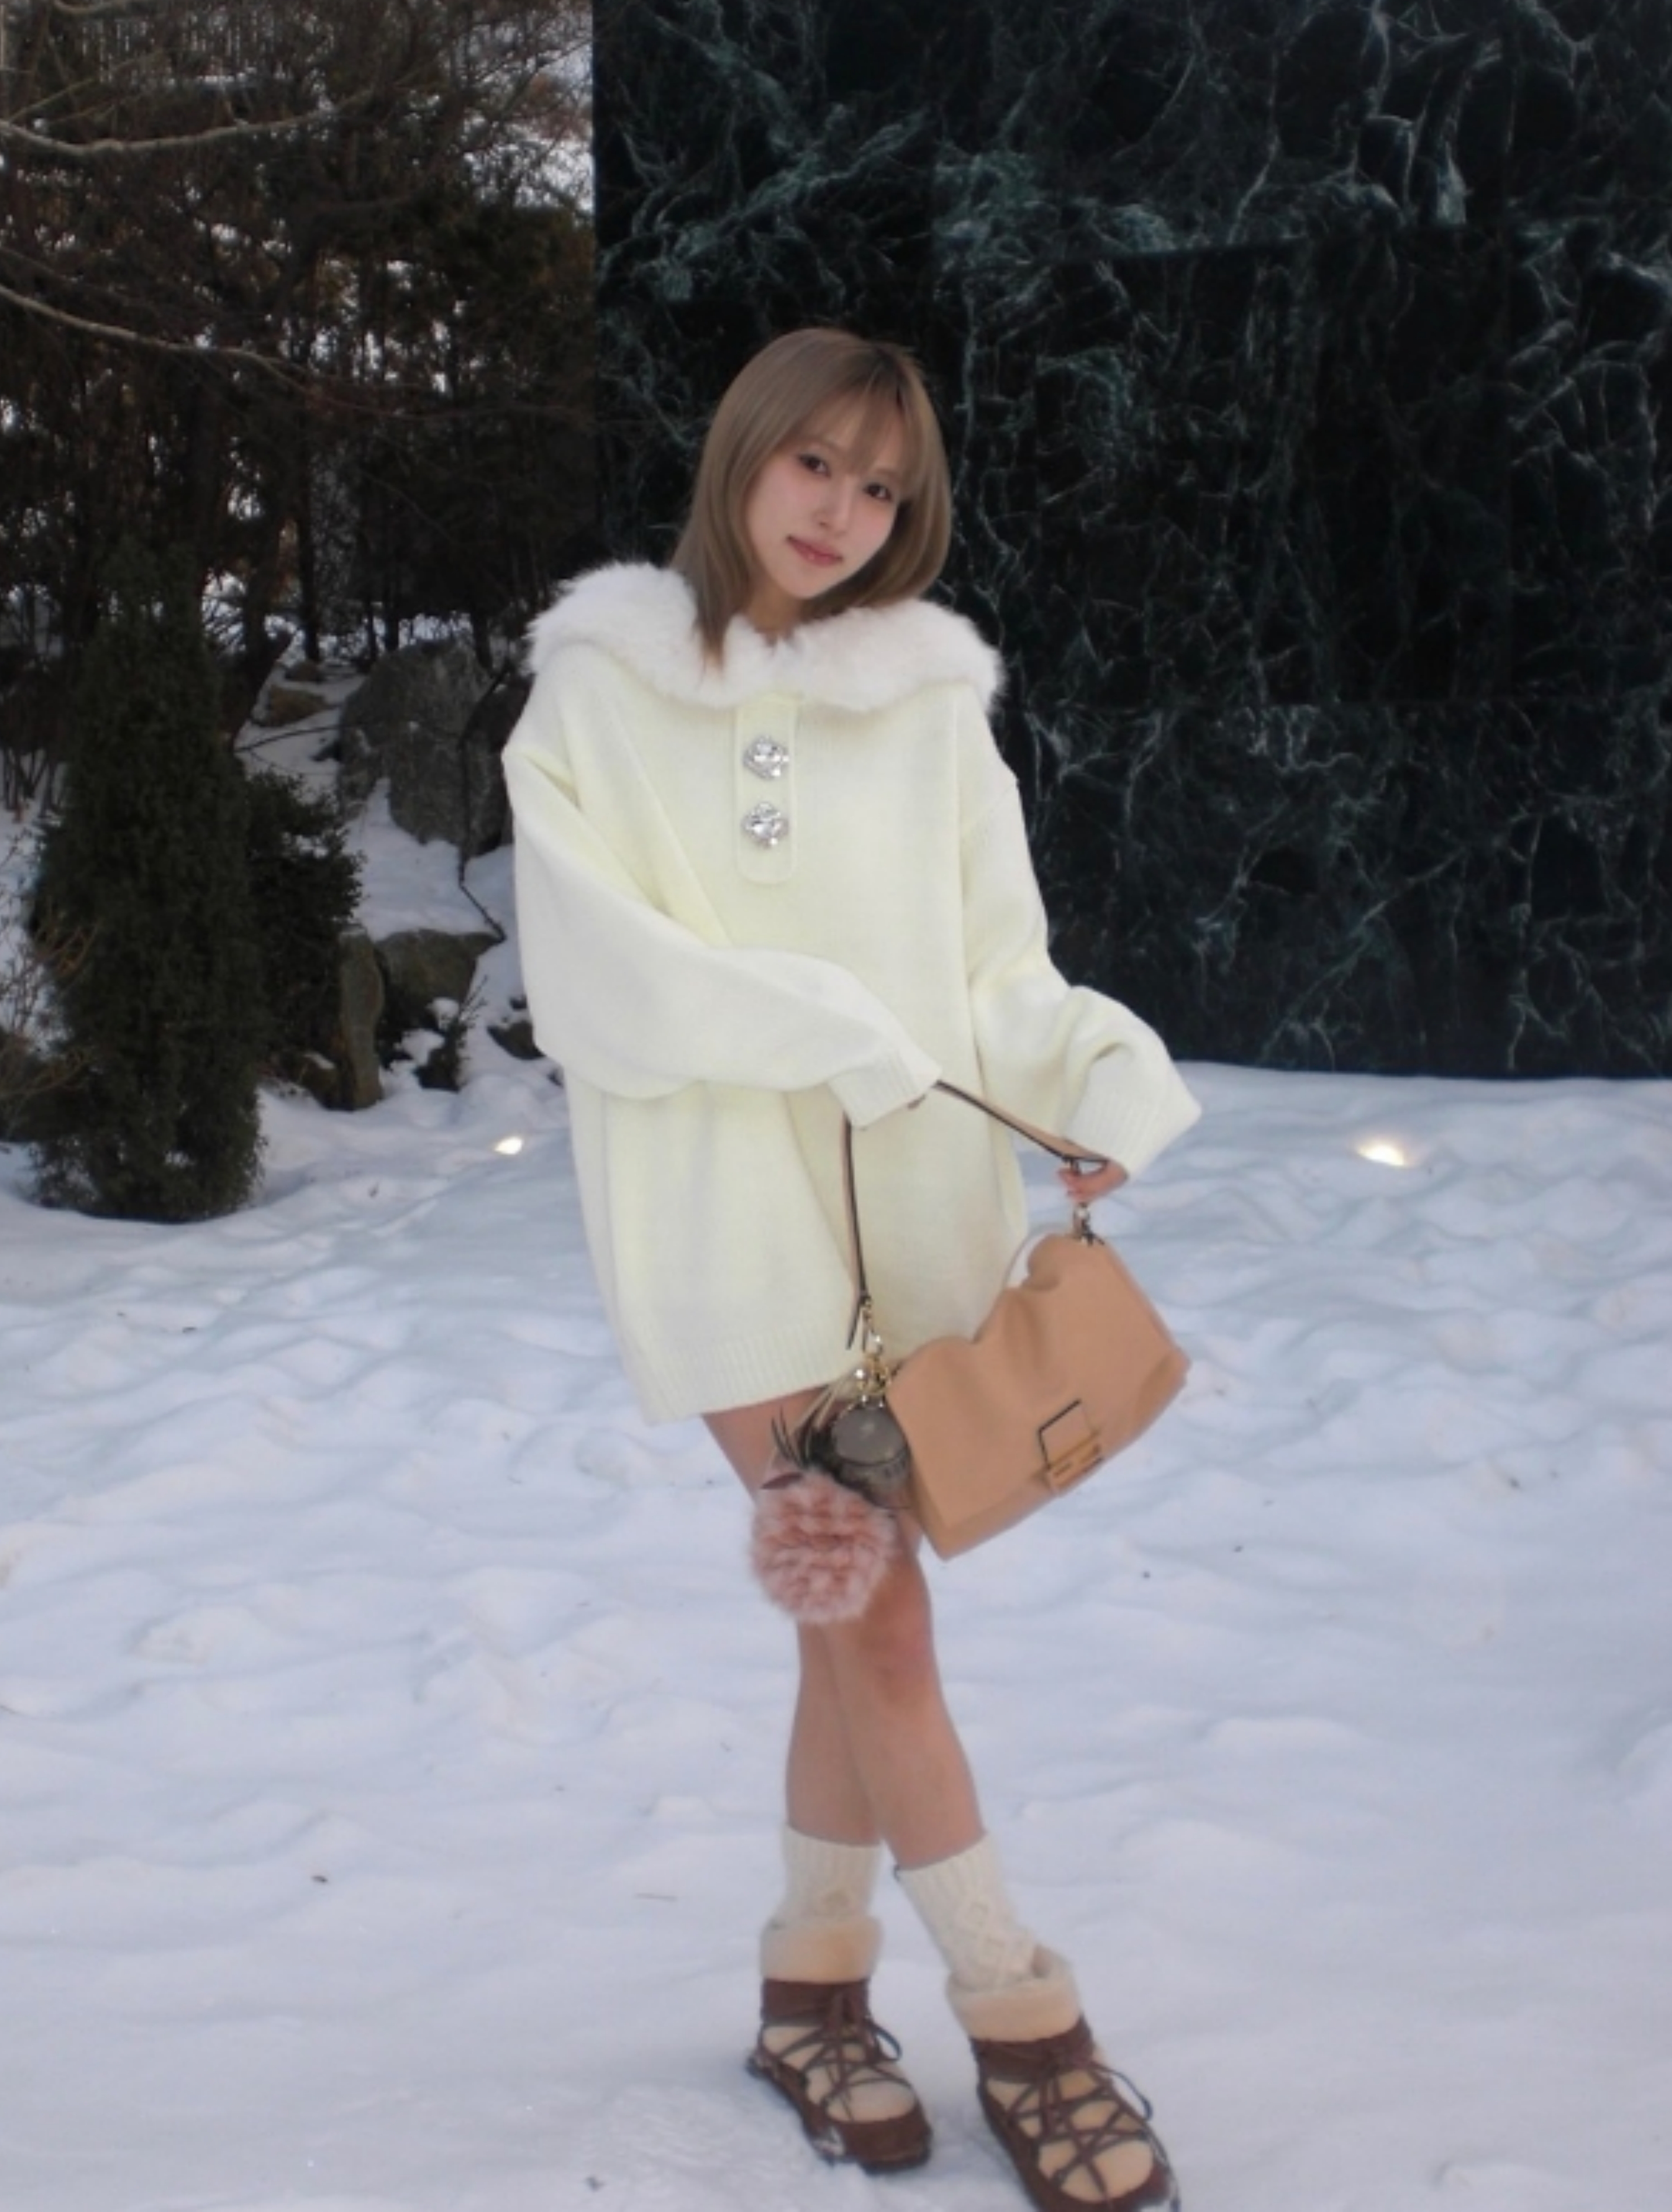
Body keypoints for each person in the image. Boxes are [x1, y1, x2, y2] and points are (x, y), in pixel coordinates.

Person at [502, 329, 1200, 2211]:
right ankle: (1026, 2027)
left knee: (851, 1620)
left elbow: (995, 973)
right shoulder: (598, 689)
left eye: (881, 486)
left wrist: (1093, 1077)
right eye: (813, 462)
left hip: (911, 1219)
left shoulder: (928, 707)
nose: (840, 511)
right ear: (742, 453)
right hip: (719, 1222)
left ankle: (810, 1995)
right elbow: (592, 975)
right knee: (876, 1612)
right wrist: (813, 1016)